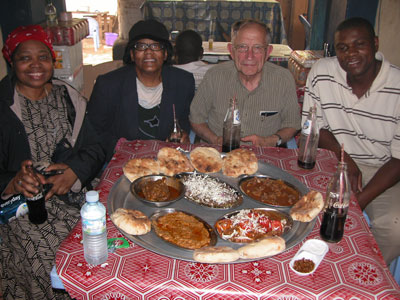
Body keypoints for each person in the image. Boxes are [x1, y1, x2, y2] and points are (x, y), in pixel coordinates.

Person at [0, 25, 105, 299]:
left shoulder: (69, 97)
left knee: (108, 244)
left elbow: (96, 146)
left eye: (43, 57)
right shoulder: (3, 106)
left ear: (52, 61)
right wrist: (12, 181)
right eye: (25, 58)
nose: (36, 65)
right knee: (50, 259)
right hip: (26, 206)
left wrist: (74, 172)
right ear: (11, 61)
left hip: (75, 193)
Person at [302, 17, 400, 266]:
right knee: (302, 208)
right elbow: (314, 129)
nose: (351, 54)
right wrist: (345, 159)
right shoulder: (322, 72)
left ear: (375, 44)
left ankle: (368, 273)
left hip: (385, 170)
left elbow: (398, 160)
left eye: (360, 44)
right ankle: (316, 266)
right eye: (342, 48)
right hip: (334, 161)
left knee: (394, 227)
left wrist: (359, 201)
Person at [87, 20, 195, 161]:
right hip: (121, 160)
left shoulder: (183, 82)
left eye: (156, 46)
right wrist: (120, 147)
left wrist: (183, 134)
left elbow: (184, 121)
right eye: (141, 46)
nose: (149, 52)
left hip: (165, 160)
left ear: (165, 54)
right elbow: (92, 133)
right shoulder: (108, 85)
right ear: (132, 54)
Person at [189, 19, 301, 147]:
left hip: (263, 156)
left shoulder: (283, 79)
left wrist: (270, 140)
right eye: (242, 47)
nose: (249, 56)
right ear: (231, 51)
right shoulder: (214, 76)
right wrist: (214, 139)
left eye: (257, 48)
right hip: (218, 156)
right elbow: (196, 119)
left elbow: (292, 124)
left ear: (268, 52)